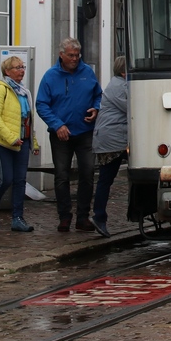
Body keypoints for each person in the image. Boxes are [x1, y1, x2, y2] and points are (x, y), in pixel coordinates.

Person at [36, 38, 102, 232]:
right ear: (61, 55)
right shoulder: (50, 76)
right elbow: (41, 104)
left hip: (84, 132)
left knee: (88, 173)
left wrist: (96, 109)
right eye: (71, 55)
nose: (75, 59)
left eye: (77, 55)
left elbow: (98, 94)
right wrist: (57, 125)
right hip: (61, 135)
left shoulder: (87, 73)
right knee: (62, 176)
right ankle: (64, 216)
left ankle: (83, 217)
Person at [0, 56, 40, 232]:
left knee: (20, 181)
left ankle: (17, 218)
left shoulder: (24, 91)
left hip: (22, 141)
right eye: (17, 67)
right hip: (3, 142)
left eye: (23, 67)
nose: (22, 70)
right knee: (6, 178)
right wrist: (10, 137)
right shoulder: (1, 89)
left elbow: (28, 119)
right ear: (7, 71)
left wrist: (34, 143)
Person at [90, 56, 129, 237]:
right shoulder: (120, 87)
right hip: (112, 140)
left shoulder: (117, 84)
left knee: (106, 179)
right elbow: (134, 107)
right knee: (106, 179)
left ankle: (100, 215)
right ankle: (99, 216)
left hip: (113, 138)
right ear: (123, 71)